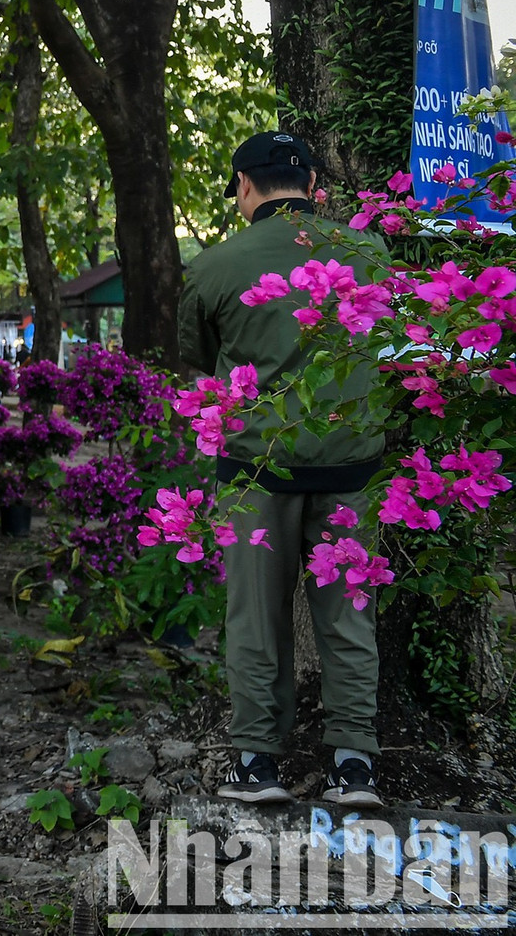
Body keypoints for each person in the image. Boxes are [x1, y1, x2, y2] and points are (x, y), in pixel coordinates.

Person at [179, 131, 386, 808]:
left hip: (254, 473)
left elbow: (199, 354)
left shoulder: (216, 266)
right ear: (312, 184)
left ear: (244, 185)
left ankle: (256, 762)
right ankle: (355, 766)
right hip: (351, 469)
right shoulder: (370, 254)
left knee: (255, 620)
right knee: (349, 619)